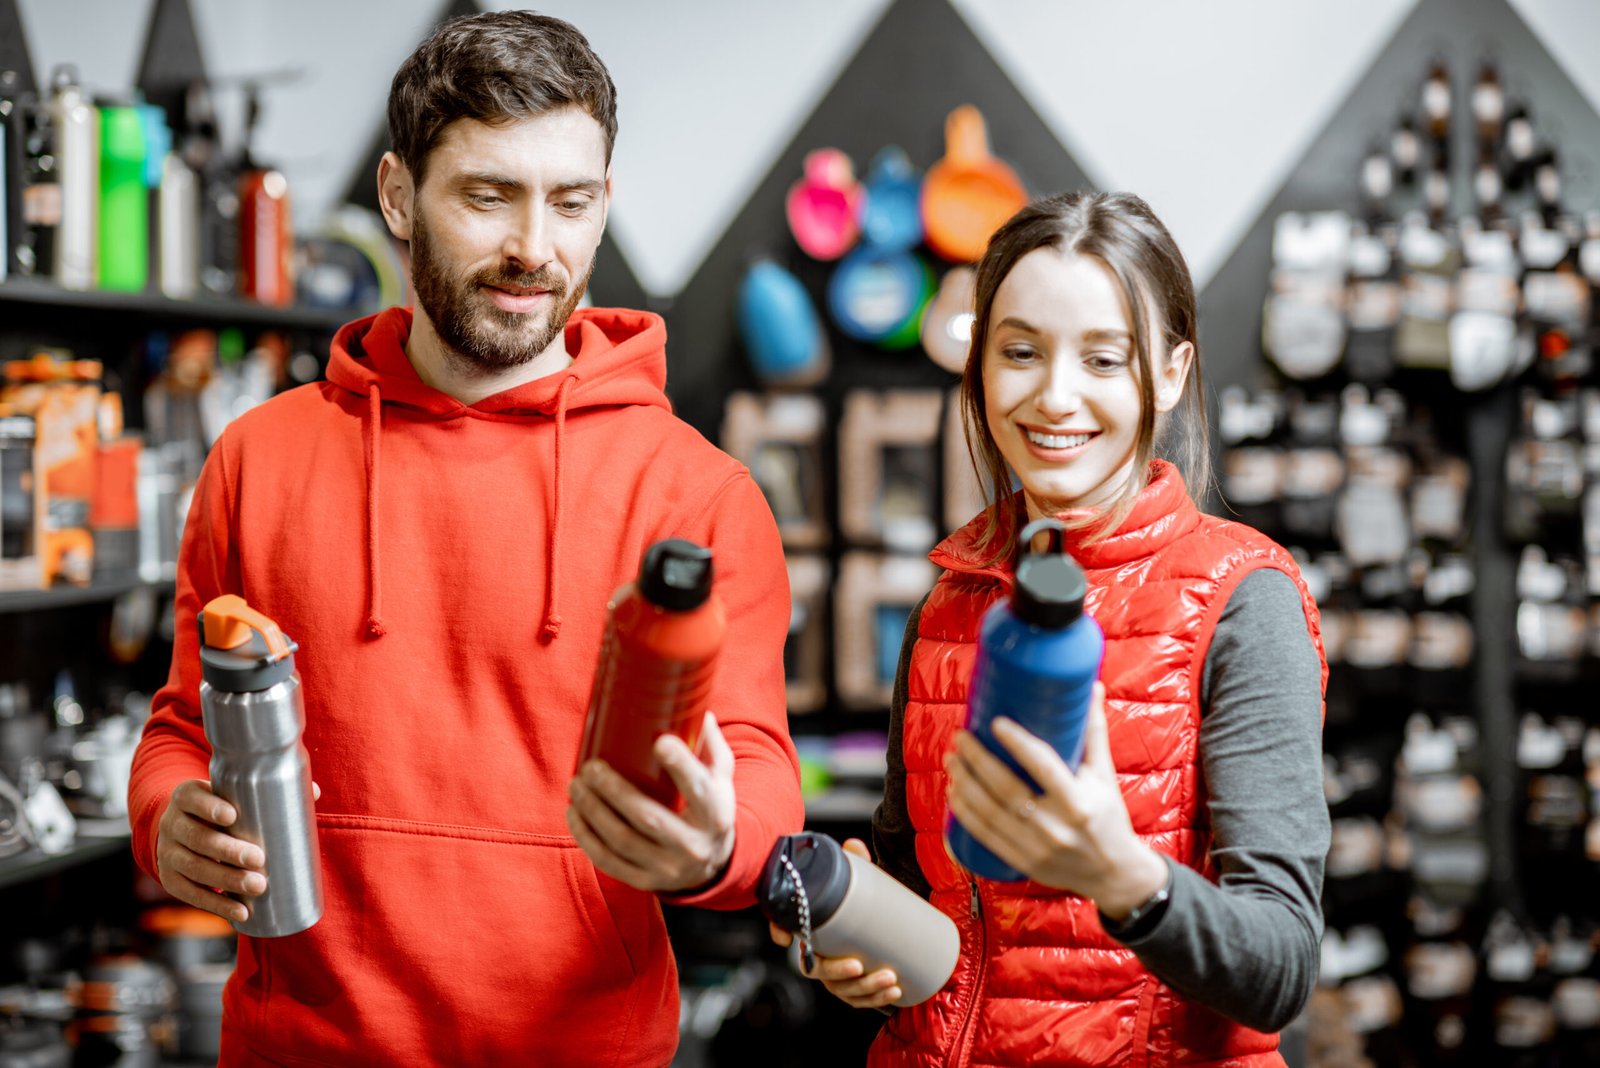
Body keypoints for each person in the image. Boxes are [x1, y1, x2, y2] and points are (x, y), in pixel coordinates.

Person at [126, 12, 802, 1066]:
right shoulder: (253, 460)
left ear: (602, 204)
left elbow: (758, 769)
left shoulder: (699, 493)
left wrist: (719, 839)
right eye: (489, 195)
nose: (536, 247)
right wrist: (167, 815)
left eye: (570, 202)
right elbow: (180, 728)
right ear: (398, 195)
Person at [783, 191, 1329, 1067]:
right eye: (1021, 352)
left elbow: (1282, 968)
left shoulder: (1242, 598)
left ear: (1172, 370)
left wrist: (1127, 879)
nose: (1054, 395)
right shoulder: (948, 598)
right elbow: (918, 888)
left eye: (1104, 359)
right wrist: (861, 944)